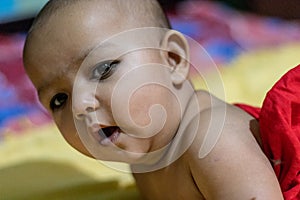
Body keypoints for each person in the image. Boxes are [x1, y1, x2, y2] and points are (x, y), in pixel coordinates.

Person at [22, 0, 288, 199]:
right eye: (59, 99)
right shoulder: (142, 158)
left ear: (172, 59)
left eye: (103, 70)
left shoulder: (212, 140)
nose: (80, 107)